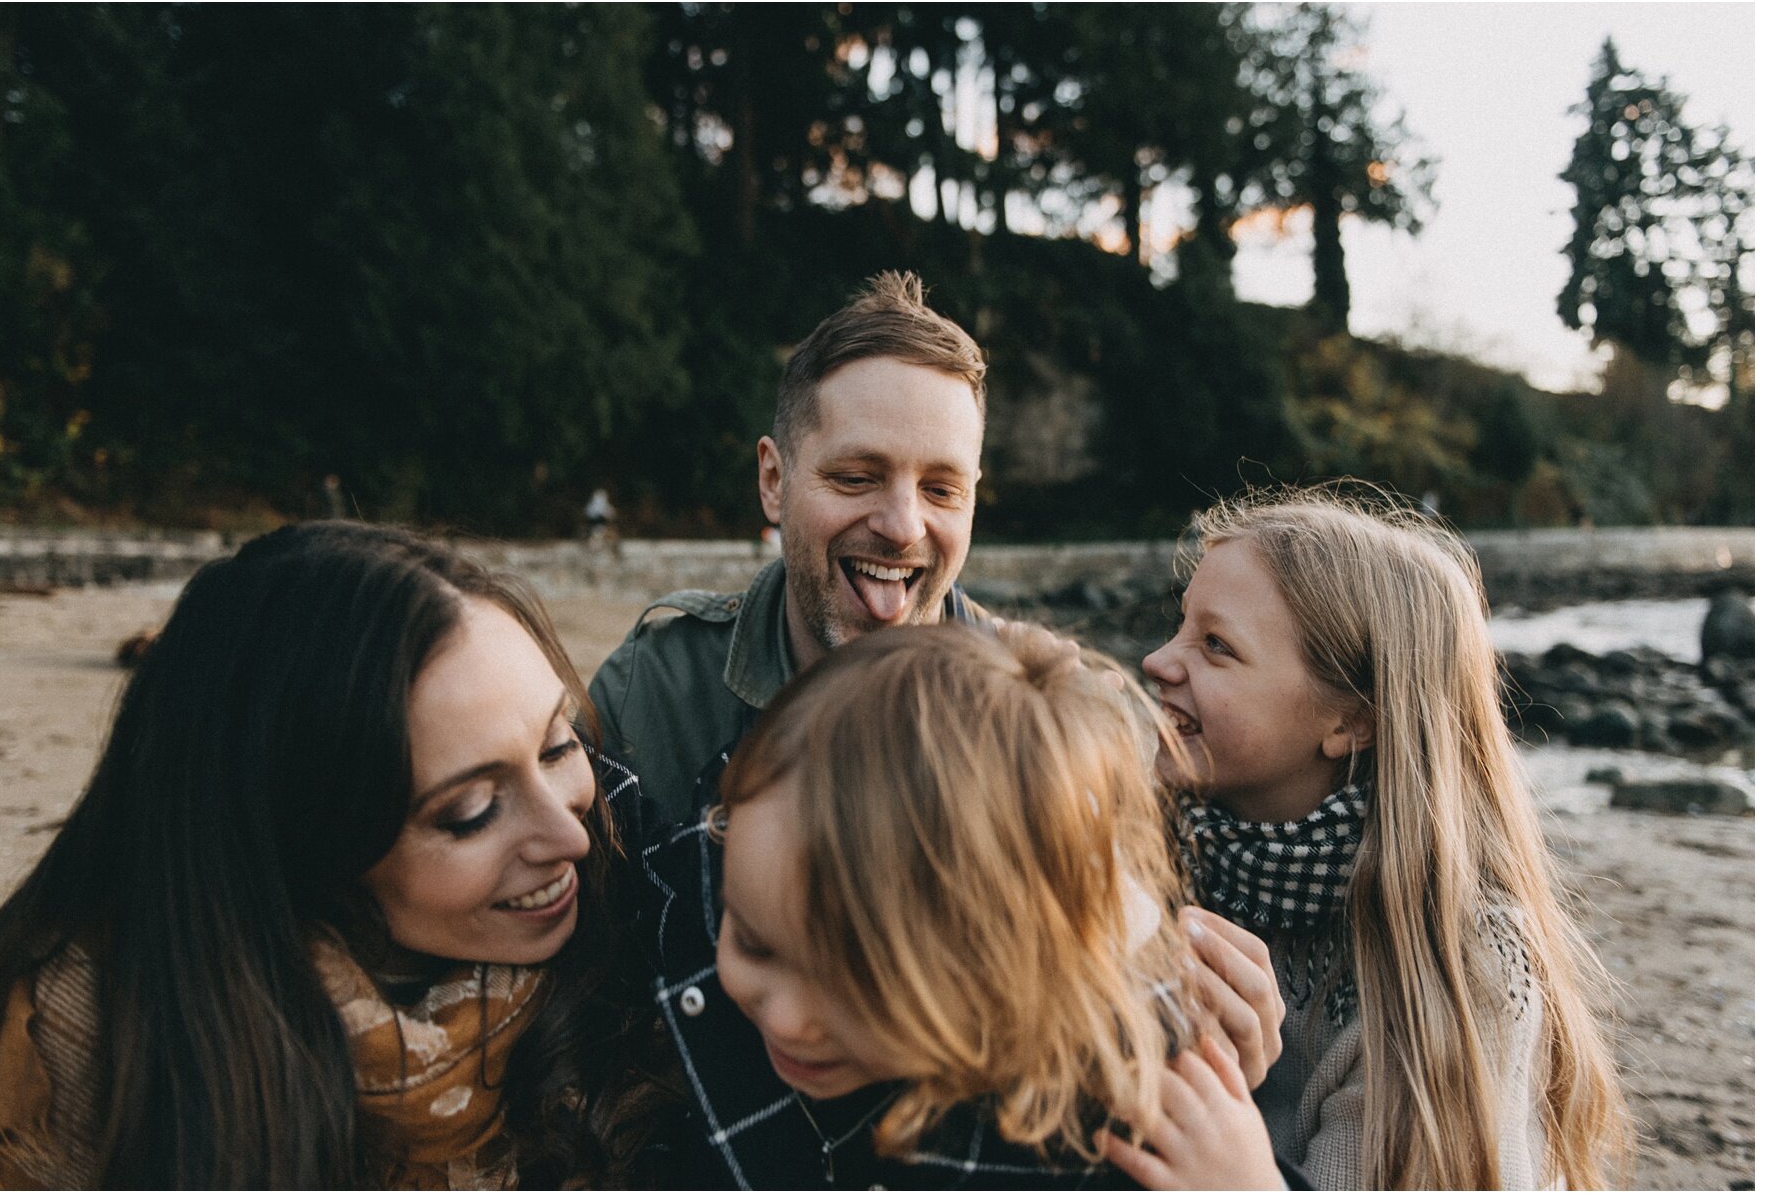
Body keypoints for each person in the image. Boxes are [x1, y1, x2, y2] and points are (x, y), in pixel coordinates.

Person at [0, 521, 671, 1189]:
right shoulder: (85, 1039)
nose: (571, 837)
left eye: (558, 745)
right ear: (296, 841)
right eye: (470, 812)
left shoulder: (654, 922)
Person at [637, 623, 1298, 1189]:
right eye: (753, 943)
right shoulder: (724, 858)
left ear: (1005, 955)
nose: (785, 1016)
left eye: (863, 980)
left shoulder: (1120, 1121)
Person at [1140, 485, 1633, 1189]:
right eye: (1181, 625)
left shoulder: (1460, 958)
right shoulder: (1142, 860)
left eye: (1216, 646)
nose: (1160, 660)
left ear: (1351, 721)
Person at [590, 271, 990, 838]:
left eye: (942, 490)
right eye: (856, 478)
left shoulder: (1030, 721)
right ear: (774, 480)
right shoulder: (650, 697)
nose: (903, 527)